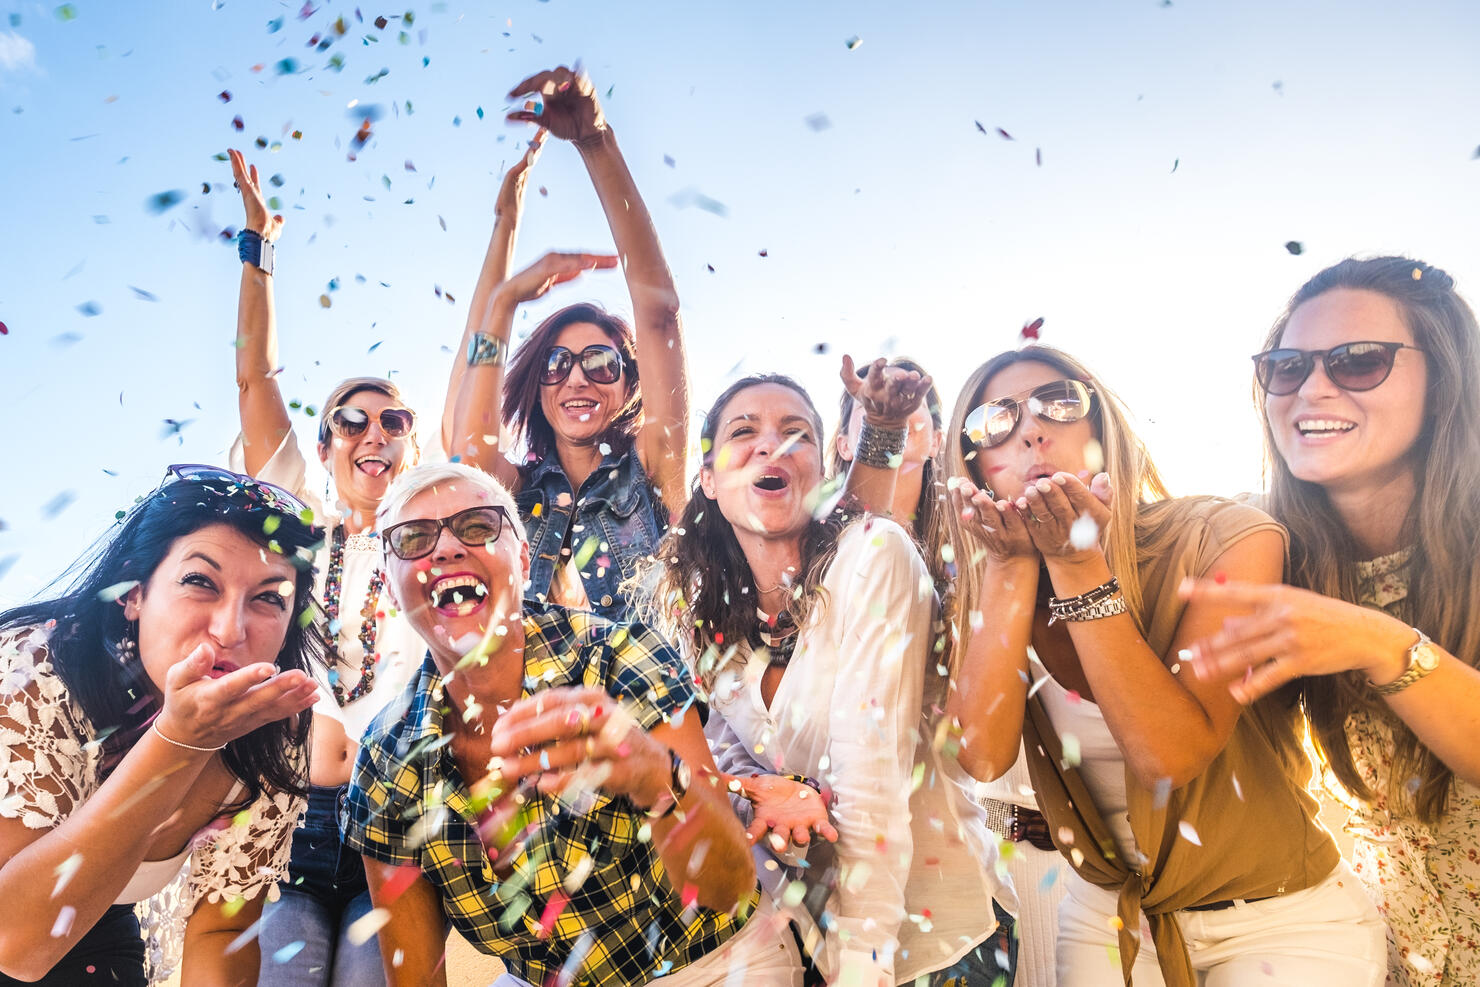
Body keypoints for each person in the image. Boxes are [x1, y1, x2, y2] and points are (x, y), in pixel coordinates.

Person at [942, 345, 1385, 987]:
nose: (1031, 429)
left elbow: (1169, 758)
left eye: (1058, 402)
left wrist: (1078, 565)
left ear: (1101, 430)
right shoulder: (993, 583)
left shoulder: (1227, 534)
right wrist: (1011, 569)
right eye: (994, 421)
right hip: (1107, 916)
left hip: (1276, 915)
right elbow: (981, 758)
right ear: (976, 466)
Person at [341, 462, 797, 987]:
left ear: (523, 556)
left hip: (711, 964)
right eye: (414, 537)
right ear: (393, 589)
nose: (446, 549)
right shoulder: (386, 759)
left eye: (477, 526)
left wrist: (658, 780)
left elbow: (730, 889)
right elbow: (417, 978)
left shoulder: (620, 658)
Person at [648, 373, 1011, 986]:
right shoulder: (702, 610)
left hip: (942, 944)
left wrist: (861, 969)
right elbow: (731, 764)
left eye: (797, 434)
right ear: (707, 480)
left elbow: (872, 784)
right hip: (819, 939)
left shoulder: (875, 555)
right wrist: (772, 792)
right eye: (744, 432)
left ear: (822, 475)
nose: (773, 447)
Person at [1180, 256, 1480, 986]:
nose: (1313, 388)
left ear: (1442, 378)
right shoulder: (1260, 547)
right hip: (1391, 958)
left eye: (1358, 362)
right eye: (1286, 366)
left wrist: (1380, 642)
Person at [228, 148, 439, 985]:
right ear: (323, 448)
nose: (372, 432)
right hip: (288, 822)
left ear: (415, 445)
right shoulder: (297, 525)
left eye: (393, 419)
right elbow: (257, 375)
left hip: (393, 824)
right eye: (349, 420)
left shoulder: (432, 544)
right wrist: (259, 254)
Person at [0, 465, 324, 986]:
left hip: (96, 926)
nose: (230, 630)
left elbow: (221, 932)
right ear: (133, 592)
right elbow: (15, 945)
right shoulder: (36, 668)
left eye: (268, 597)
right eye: (200, 582)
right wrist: (181, 742)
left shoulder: (276, 728)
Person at [448, 65, 688, 621]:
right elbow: (466, 448)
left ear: (629, 383)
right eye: (556, 365)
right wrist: (502, 307)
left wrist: (595, 143)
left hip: (653, 706)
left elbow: (660, 316)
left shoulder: (655, 466)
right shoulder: (514, 488)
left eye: (601, 363)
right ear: (537, 389)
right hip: (539, 707)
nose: (577, 379)